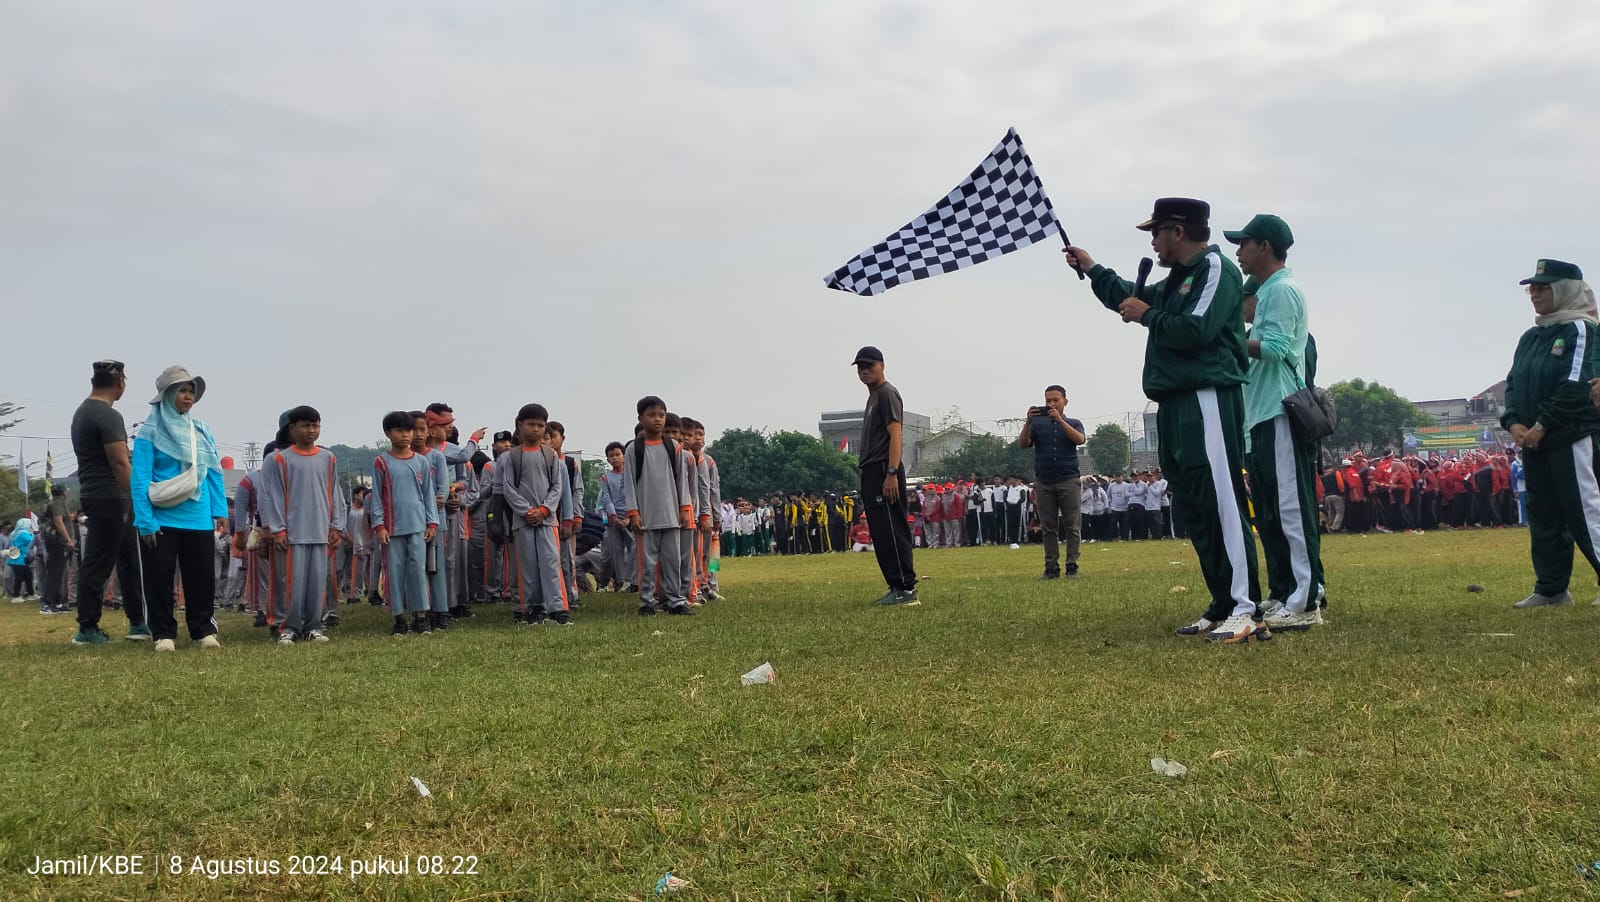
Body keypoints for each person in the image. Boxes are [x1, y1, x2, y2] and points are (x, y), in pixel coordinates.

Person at [1065, 197, 1266, 642]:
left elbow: (1196, 329)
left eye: (1156, 232)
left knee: (1222, 503)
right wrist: (1093, 268)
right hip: (1177, 404)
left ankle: (1246, 606)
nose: (1153, 242)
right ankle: (1222, 603)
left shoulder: (1216, 270)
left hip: (1207, 397)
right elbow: (1130, 298)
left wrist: (1148, 316)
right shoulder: (1179, 278)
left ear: (1177, 231)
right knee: (1195, 507)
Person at [1227, 214, 1326, 631]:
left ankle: (1305, 600)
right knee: (1269, 509)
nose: (1238, 251)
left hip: (1280, 410)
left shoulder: (1283, 290)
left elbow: (1276, 347)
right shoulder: (1269, 292)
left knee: (1290, 508)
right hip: (1262, 413)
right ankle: (1286, 591)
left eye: (1244, 244)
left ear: (1264, 246)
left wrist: (1224, 336)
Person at [1500, 259, 1600, 608]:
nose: (1534, 293)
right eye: (1532, 287)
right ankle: (1552, 588)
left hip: (1569, 436)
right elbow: (1513, 384)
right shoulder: (1531, 336)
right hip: (1532, 440)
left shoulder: (1581, 330)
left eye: (1544, 286)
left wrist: (1543, 425)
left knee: (1586, 511)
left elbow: (1576, 384)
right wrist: (1513, 423)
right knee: (1543, 515)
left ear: (1567, 289)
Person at [129, 366, 227, 651]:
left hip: (198, 515)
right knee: (158, 578)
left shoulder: (201, 430)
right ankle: (163, 634)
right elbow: (140, 479)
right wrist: (145, 520)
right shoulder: (149, 432)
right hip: (160, 516)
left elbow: (214, 473)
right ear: (167, 394)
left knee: (201, 577)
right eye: (182, 391)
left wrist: (219, 510)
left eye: (191, 392)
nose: (188, 397)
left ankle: (204, 630)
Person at [68, 360, 150, 645]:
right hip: (111, 497)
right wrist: (139, 497)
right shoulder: (107, 415)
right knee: (99, 562)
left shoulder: (82, 412)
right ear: (120, 383)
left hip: (100, 494)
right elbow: (119, 462)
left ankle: (138, 622)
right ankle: (87, 628)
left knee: (129, 560)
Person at [255, 406, 345, 644]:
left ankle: (313, 626)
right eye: (305, 425)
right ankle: (288, 627)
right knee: (290, 583)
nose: (311, 430)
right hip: (292, 533)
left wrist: (336, 526)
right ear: (292, 428)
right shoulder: (279, 460)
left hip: (320, 531)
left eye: (315, 425)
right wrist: (277, 529)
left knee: (317, 582)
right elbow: (271, 496)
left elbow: (335, 493)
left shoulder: (329, 458)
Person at [852, 346, 918, 605]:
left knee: (892, 528)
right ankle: (895, 585)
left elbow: (896, 434)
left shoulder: (887, 393)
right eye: (860, 367)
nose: (864, 370)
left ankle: (905, 587)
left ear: (882, 365)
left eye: (869, 365)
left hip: (883, 467)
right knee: (880, 531)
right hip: (871, 468)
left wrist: (891, 471)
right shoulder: (873, 396)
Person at [500, 404, 573, 625]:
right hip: (522, 522)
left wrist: (543, 510)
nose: (535, 429)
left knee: (551, 563)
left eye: (540, 425)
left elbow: (557, 488)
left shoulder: (550, 455)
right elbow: (509, 489)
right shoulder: (512, 457)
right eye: (531, 424)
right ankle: (530, 608)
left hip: (547, 520)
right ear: (519, 425)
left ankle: (557, 607)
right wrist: (526, 510)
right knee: (527, 565)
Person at [622, 396, 694, 616]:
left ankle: (675, 600)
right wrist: (633, 513)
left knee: (673, 561)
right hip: (646, 517)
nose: (657, 419)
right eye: (652, 415)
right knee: (647, 563)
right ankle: (647, 601)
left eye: (661, 415)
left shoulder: (673, 447)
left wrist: (684, 509)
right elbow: (629, 483)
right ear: (640, 418)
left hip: (672, 515)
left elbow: (682, 480)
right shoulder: (635, 449)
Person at [371, 411, 439, 635]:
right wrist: (379, 525)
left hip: (418, 527)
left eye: (408, 430)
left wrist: (432, 523)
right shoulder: (381, 462)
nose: (405, 435)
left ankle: (421, 617)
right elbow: (378, 498)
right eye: (399, 430)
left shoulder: (421, 461)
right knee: (394, 572)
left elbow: (429, 494)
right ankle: (399, 619)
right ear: (388, 433)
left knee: (418, 570)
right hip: (392, 529)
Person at [1018, 385, 1085, 578]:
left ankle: (1072, 565)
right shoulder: (1038, 424)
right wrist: (1028, 422)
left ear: (1065, 401)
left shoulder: (1074, 422)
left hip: (1068, 480)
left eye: (1056, 400)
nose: (1051, 404)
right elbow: (1023, 444)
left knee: (1072, 525)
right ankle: (1051, 567)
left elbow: (1079, 439)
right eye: (1048, 401)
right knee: (1048, 527)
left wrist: (1061, 420)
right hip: (1044, 482)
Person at [39, 486, 76, 613]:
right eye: (65, 491)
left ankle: (57, 603)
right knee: (55, 571)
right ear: (62, 492)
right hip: (57, 541)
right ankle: (47, 603)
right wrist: (68, 539)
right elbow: (58, 521)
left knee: (58, 571)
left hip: (51, 540)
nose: (67, 493)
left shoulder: (49, 503)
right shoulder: (58, 503)